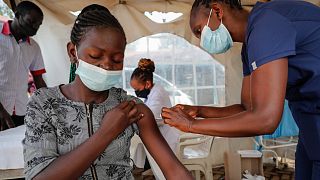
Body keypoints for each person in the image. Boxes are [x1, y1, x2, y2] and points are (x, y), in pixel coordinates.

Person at [23, 4, 192, 180]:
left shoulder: (132, 109)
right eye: (95, 56)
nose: (107, 65)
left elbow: (173, 170)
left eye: (117, 59)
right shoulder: (43, 104)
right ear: (73, 52)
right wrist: (106, 133)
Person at [161, 0, 320, 179]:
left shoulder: (266, 26)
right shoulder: (251, 44)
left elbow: (266, 119)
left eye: (199, 31)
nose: (201, 41)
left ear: (217, 10)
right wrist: (199, 111)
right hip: (310, 123)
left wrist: (191, 126)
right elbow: (248, 109)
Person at [0, 1, 46, 131]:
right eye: (31, 21)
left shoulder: (34, 47)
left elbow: (39, 80)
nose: (35, 27)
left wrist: (50, 104)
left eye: (39, 24)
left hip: (20, 111)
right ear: (17, 14)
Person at [130, 58, 180, 167]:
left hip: (167, 139)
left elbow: (148, 114)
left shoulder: (157, 94)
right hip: (162, 135)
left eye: (137, 89)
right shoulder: (152, 92)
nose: (136, 93)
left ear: (147, 84)